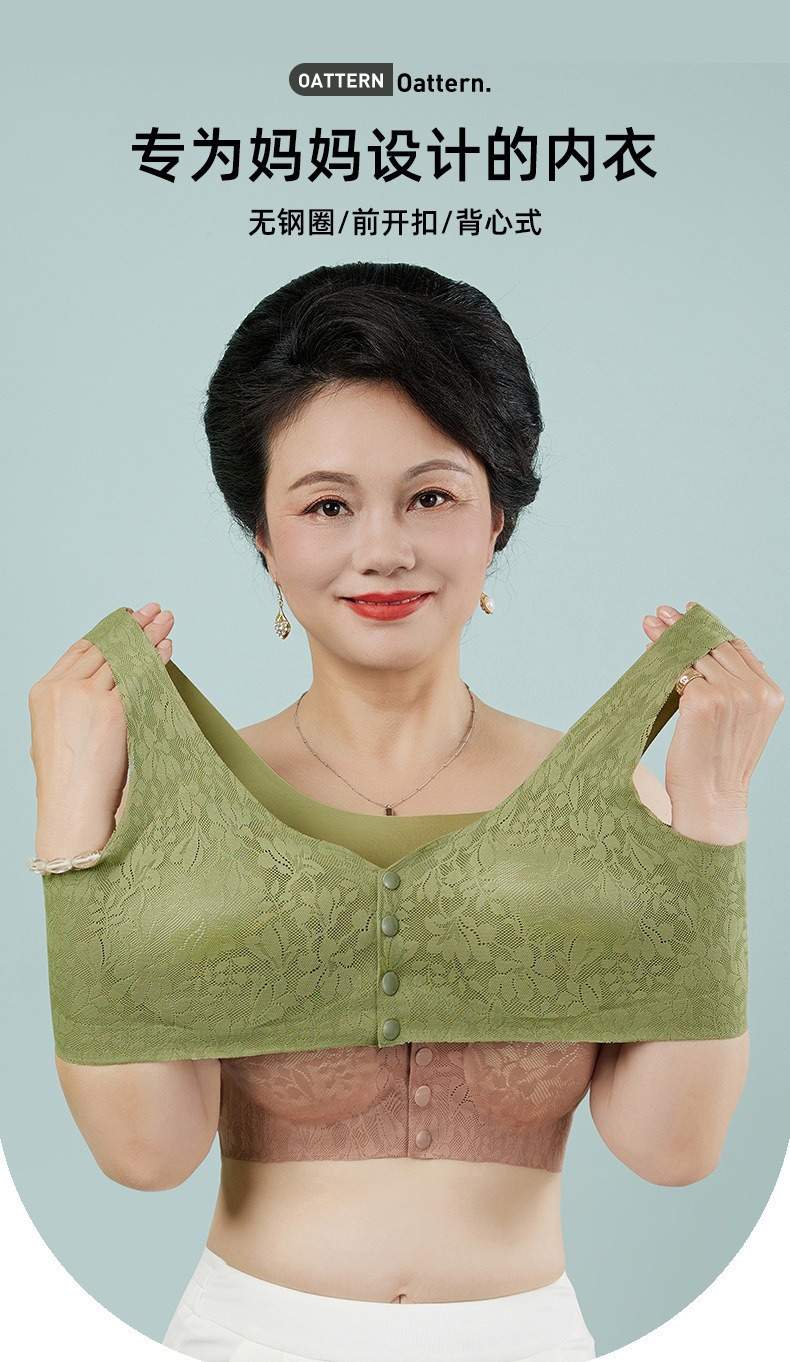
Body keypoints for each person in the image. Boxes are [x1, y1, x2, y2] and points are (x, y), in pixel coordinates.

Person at [28, 263, 783, 1362]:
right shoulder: (194, 806)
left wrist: (711, 816)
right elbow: (148, 1155)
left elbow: (671, 1150)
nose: (382, 549)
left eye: (430, 496)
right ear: (261, 535)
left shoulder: (609, 798)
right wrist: (69, 825)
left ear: (498, 517)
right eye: (327, 506)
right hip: (240, 1335)